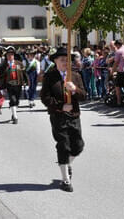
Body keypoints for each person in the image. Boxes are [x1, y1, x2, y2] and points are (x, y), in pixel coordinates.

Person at [40, 47, 86, 192]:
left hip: (74, 116)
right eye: (62, 60)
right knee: (63, 145)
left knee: (78, 146)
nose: (65, 62)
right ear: (55, 61)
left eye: (67, 59)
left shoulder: (76, 76)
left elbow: (84, 96)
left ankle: (66, 163)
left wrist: (74, 90)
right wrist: (60, 106)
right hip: (58, 116)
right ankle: (65, 180)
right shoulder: (49, 76)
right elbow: (45, 98)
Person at [3, 46, 25, 124]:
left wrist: (26, 82)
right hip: (9, 85)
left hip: (18, 84)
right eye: (8, 55)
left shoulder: (19, 63)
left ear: (13, 55)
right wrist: (3, 87)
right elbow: (2, 77)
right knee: (13, 100)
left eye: (11, 54)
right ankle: (15, 117)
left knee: (17, 101)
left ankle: (13, 112)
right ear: (6, 56)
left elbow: (24, 73)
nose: (10, 56)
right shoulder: (4, 64)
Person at [112, 39, 124, 106]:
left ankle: (119, 102)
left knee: (117, 86)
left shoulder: (119, 51)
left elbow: (116, 62)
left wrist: (113, 70)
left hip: (121, 71)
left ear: (117, 45)